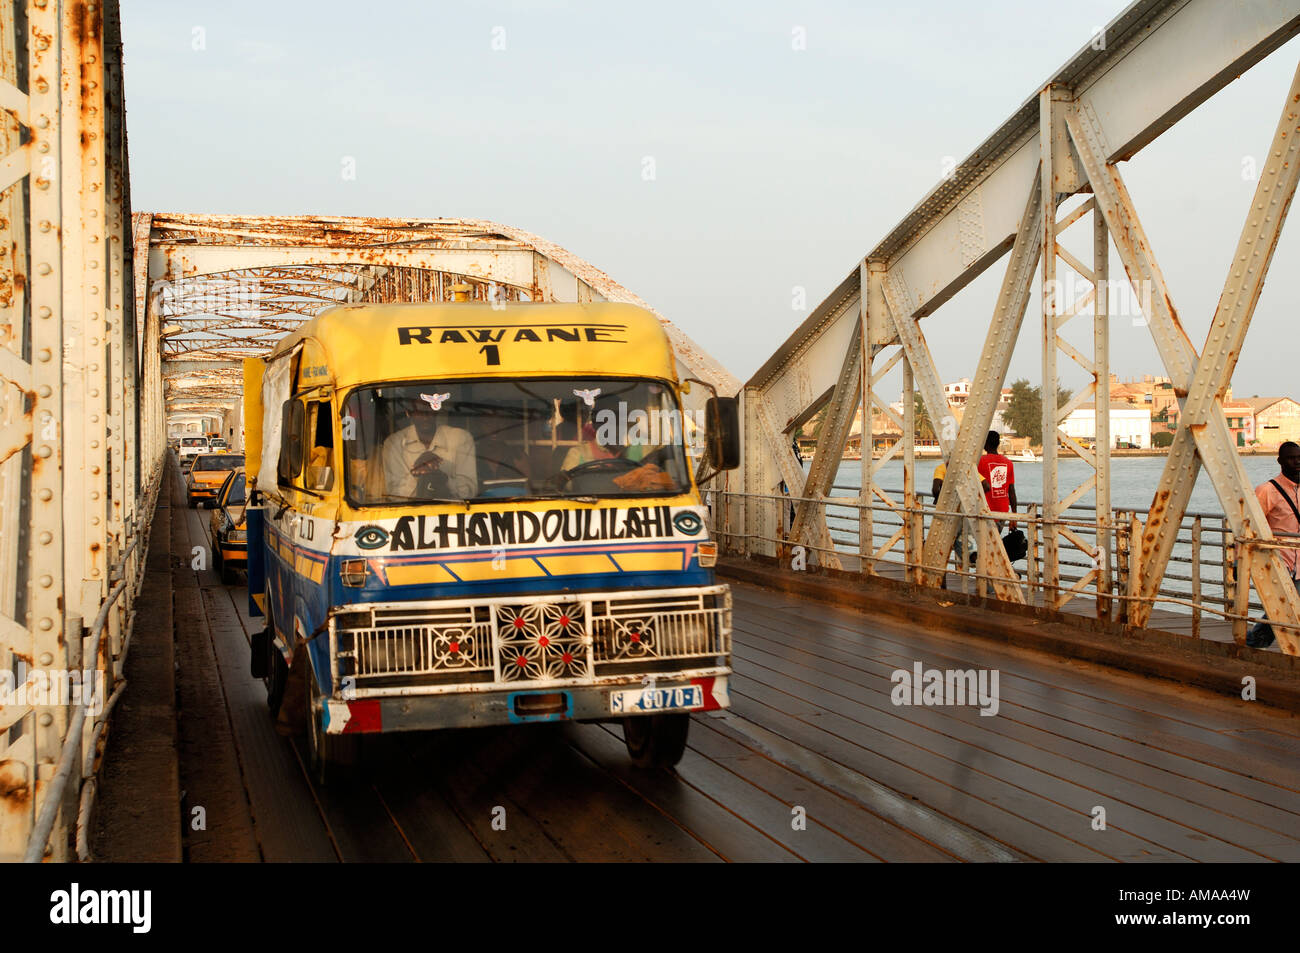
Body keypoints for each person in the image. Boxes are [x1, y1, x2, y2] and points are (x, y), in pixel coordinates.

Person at [1246, 440, 1300, 649]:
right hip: (1280, 560)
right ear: (1280, 461)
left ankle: (1255, 642)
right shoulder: (1267, 490)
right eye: (1291, 458)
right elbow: (1249, 526)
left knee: (1284, 608)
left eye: (1299, 457)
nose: (1296, 462)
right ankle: (1254, 642)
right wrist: (1238, 563)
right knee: (1284, 606)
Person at [381, 396, 477, 499]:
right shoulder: (394, 444)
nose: (425, 416)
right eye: (419, 411)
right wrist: (418, 472)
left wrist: (443, 479)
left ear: (437, 410)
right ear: (409, 413)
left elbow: (469, 493)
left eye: (429, 409)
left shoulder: (460, 438)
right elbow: (395, 496)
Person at [932, 457, 985, 587]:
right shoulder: (967, 470)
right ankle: (975, 561)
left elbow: (935, 489)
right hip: (967, 512)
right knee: (966, 541)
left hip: (950, 514)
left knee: (941, 547)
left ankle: (941, 584)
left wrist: (940, 499)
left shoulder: (941, 468)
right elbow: (986, 486)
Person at [977, 430, 1017, 530]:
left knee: (985, 543)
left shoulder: (979, 462)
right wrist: (1014, 516)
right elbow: (1011, 491)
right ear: (998, 444)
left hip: (986, 511)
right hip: (1002, 511)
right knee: (993, 542)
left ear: (985, 444)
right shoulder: (1008, 463)